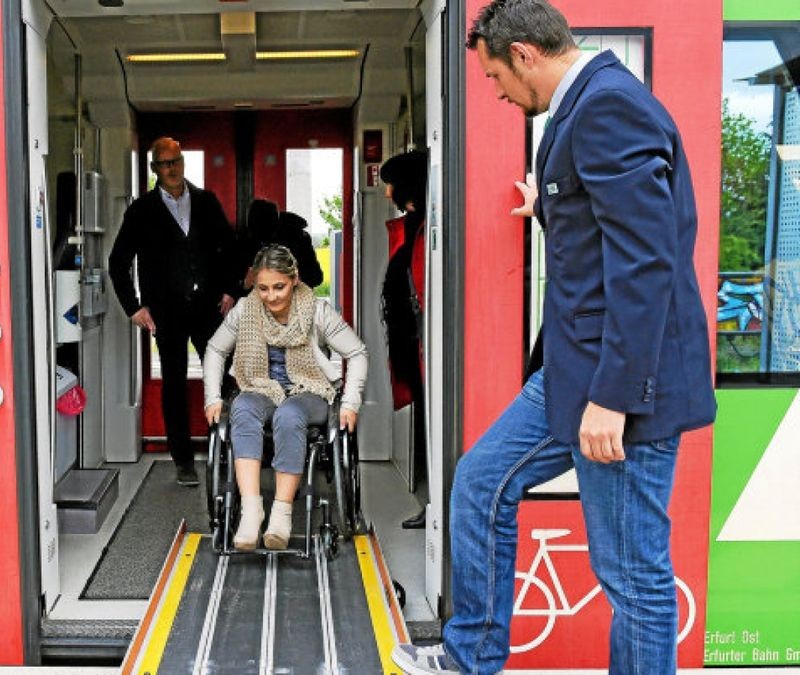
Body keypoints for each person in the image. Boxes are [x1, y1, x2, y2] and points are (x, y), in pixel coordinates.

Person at [392, 1, 716, 674]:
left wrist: (616, 397)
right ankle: (470, 655)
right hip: (574, 370)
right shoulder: (582, 110)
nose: (498, 93)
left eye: (494, 79)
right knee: (481, 483)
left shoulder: (606, 108)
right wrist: (551, 206)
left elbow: (648, 260)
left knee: (633, 577)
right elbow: (605, 237)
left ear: (524, 55)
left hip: (624, 387)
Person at [202, 245, 367, 550]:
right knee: (243, 407)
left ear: (294, 280)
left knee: (289, 414)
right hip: (261, 388)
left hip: (310, 391)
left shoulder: (317, 311)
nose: (271, 296)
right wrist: (212, 398)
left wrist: (350, 403)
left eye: (279, 287)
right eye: (263, 288)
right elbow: (215, 349)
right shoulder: (245, 310)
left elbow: (356, 352)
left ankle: (281, 514)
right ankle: (252, 512)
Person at [109, 137, 239, 487]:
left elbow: (230, 249)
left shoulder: (206, 201)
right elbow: (118, 261)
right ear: (154, 169)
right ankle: (183, 461)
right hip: (166, 311)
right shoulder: (141, 211)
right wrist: (133, 307)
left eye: (176, 161)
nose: (171, 168)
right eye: (164, 163)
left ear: (183, 163)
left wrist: (229, 289)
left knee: (225, 376)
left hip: (207, 307)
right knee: (174, 385)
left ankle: (227, 449)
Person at [379, 150, 429, 530]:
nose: (386, 194)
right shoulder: (414, 225)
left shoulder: (426, 228)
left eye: (390, 185)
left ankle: (434, 506)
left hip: (423, 347)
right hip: (412, 345)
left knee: (430, 423)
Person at [237, 199, 323, 291]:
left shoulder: (298, 239)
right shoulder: (248, 241)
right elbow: (238, 284)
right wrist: (246, 283)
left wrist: (294, 278)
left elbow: (316, 278)